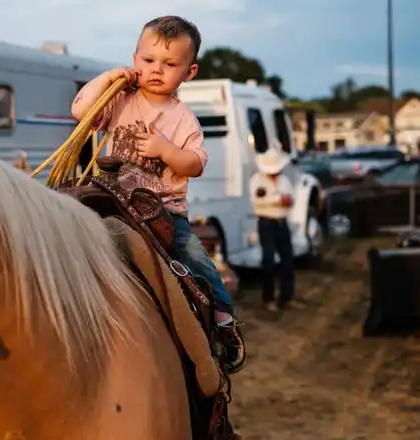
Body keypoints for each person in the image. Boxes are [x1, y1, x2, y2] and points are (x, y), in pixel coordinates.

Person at [71, 15, 245, 374]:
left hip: (161, 211)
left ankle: (223, 317)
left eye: (170, 64)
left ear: (189, 72)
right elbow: (80, 111)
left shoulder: (184, 120)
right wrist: (109, 78)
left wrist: (165, 150)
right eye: (148, 61)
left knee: (193, 254)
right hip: (111, 200)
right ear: (135, 60)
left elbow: (194, 164)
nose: (156, 70)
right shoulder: (118, 100)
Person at [249, 147, 302, 312]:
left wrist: (287, 201)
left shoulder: (284, 180)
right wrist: (279, 199)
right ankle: (268, 299)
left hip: (281, 222)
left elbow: (291, 199)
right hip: (267, 223)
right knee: (269, 261)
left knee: (287, 260)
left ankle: (287, 296)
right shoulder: (257, 180)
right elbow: (257, 201)